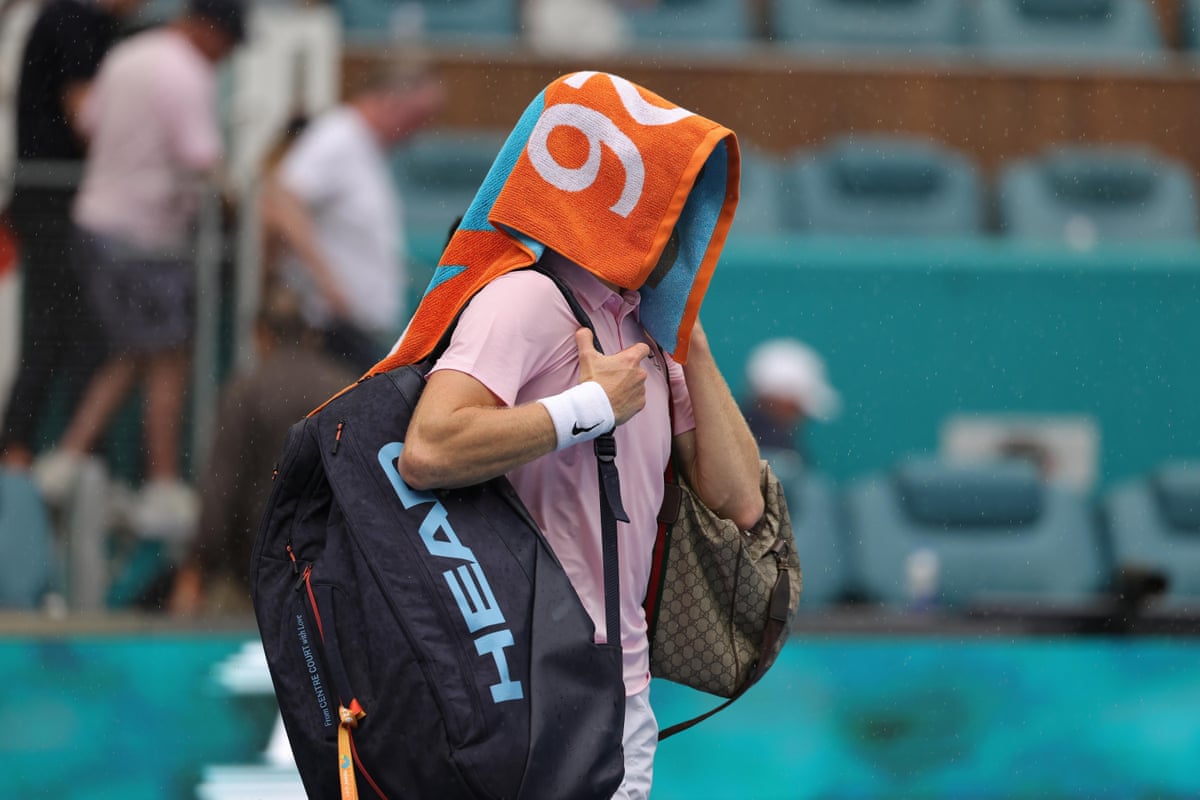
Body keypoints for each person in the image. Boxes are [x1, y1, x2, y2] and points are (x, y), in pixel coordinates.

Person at [392, 72, 763, 799]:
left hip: (618, 700)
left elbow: (739, 501)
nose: (683, 222)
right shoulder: (523, 299)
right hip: (509, 694)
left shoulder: (650, 334)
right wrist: (588, 408)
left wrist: (691, 336)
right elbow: (428, 450)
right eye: (669, 197)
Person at [32, 0, 245, 532]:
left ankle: (70, 458)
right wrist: (234, 203)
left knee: (136, 349)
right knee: (165, 353)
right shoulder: (185, 72)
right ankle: (162, 482)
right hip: (142, 235)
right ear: (209, 30)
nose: (226, 56)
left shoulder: (128, 54)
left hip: (100, 222)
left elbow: (88, 121)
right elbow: (203, 159)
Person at [0, 0, 142, 470]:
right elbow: (87, 118)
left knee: (76, 330)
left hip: (60, 201)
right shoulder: (73, 22)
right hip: (54, 203)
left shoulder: (81, 23)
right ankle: (21, 448)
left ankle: (66, 454)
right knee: (55, 327)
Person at [168, 289, 358, 616]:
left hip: (256, 577)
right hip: (331, 580)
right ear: (310, 334)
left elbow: (220, 491)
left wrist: (196, 571)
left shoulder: (247, 390)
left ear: (261, 335)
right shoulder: (347, 387)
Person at [264, 64, 443, 373]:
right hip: (327, 331)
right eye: (417, 116)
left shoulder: (364, 146)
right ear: (389, 101)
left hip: (351, 331)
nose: (420, 129)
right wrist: (327, 282)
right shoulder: (339, 136)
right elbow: (281, 200)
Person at [741, 337, 840, 462]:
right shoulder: (779, 453)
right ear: (782, 399)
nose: (803, 418)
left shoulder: (727, 438)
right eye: (797, 408)